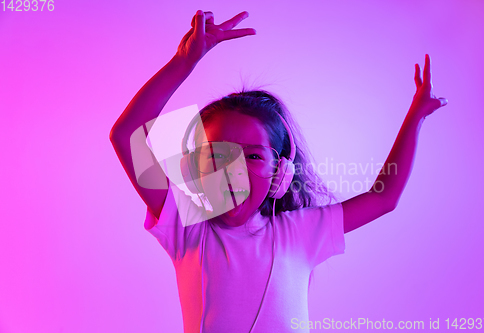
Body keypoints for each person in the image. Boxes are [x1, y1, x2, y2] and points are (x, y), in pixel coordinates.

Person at [109, 10, 447, 333]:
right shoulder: (185, 226)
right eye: (217, 156)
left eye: (253, 157)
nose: (233, 171)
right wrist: (184, 63)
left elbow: (384, 198)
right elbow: (126, 135)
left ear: (280, 172)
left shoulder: (300, 232)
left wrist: (415, 115)